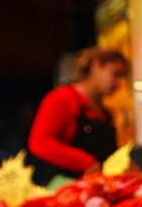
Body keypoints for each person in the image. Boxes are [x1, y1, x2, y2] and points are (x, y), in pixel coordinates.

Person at [26, 46, 129, 184]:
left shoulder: (105, 111)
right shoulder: (62, 99)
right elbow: (39, 143)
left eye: (122, 77)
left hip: (100, 187)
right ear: (96, 64)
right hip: (65, 189)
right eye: (116, 74)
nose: (118, 83)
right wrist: (86, 162)